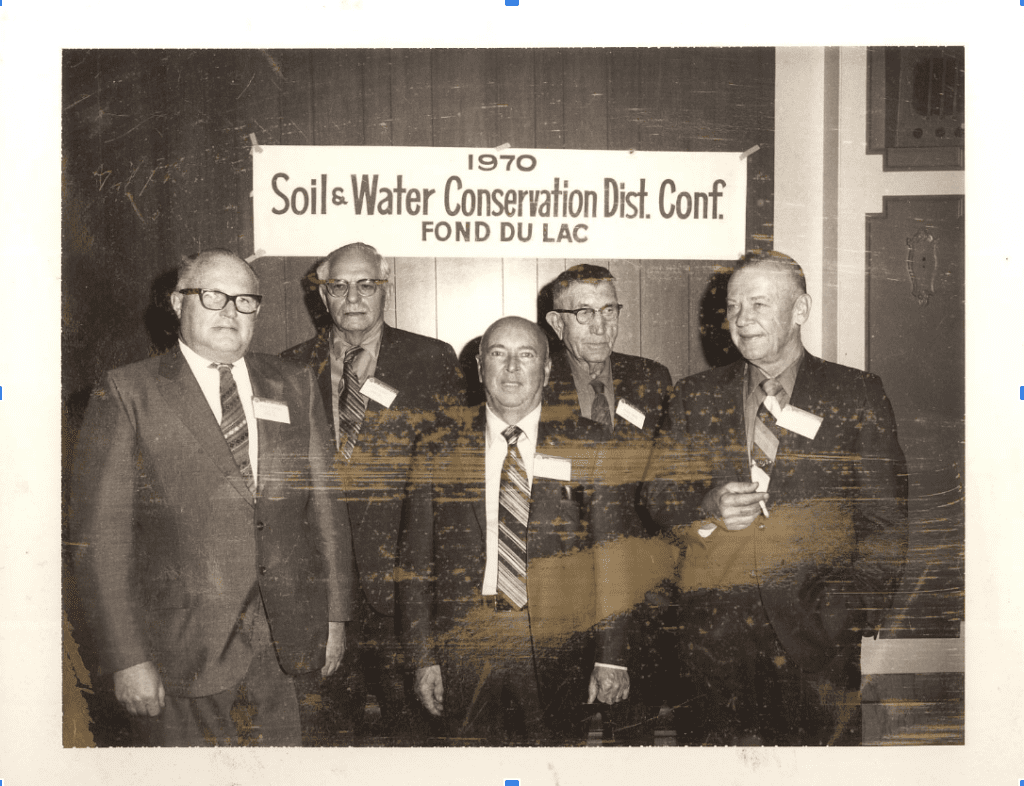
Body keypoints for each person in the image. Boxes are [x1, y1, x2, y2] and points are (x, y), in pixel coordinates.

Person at [71, 249, 353, 747]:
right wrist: (127, 657)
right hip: (180, 654)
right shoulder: (127, 391)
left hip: (286, 646)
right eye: (213, 296)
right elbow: (101, 542)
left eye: (245, 300)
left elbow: (326, 512)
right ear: (178, 303)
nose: (229, 311)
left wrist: (335, 617)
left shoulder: (293, 383)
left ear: (258, 312)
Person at [643, 250, 909, 745]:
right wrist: (705, 506)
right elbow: (656, 494)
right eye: (734, 306)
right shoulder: (693, 395)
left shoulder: (856, 395)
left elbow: (884, 520)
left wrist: (850, 614)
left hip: (817, 642)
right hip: (713, 642)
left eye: (758, 304)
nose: (741, 320)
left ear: (800, 310)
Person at [398, 316, 630, 745]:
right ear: (479, 367)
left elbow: (612, 559)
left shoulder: (592, 444)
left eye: (526, 356)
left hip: (558, 644)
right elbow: (415, 564)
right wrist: (422, 657)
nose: (511, 368)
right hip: (464, 644)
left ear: (545, 371)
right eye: (498, 354)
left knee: (553, 766)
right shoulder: (437, 446)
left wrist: (612, 657)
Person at [282, 242, 465, 744]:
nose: (353, 297)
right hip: (321, 598)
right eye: (338, 286)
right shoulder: (288, 369)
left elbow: (451, 484)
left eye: (366, 284)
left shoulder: (432, 360)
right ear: (321, 294)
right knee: (324, 740)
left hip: (403, 597)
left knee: (416, 741)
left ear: (386, 285)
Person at [544, 264, 673, 740]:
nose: (600, 326)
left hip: (639, 596)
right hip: (562, 597)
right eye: (583, 313)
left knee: (635, 738)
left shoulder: (653, 379)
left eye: (609, 310)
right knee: (556, 741)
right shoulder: (531, 381)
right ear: (556, 324)